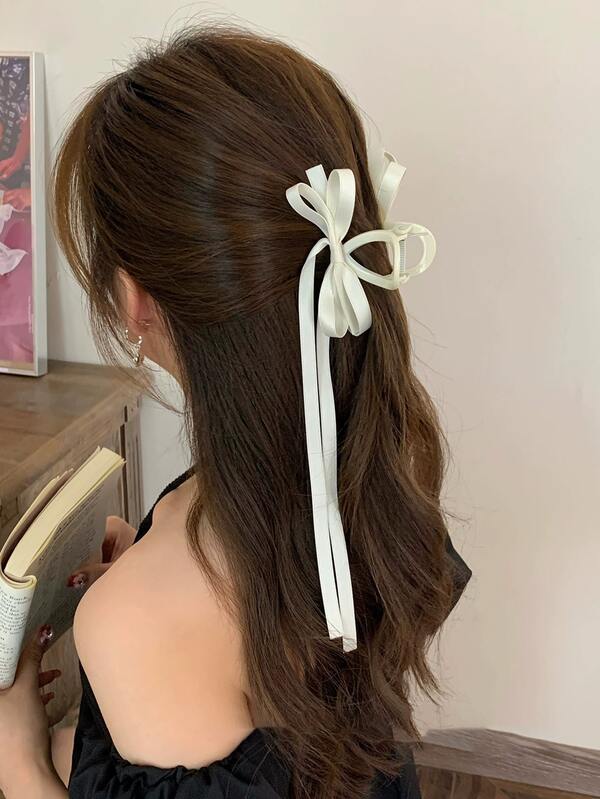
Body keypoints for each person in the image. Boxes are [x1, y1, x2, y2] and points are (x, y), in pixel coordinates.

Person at [0, 21, 472, 799]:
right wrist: (154, 579)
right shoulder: (368, 456)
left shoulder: (143, 611)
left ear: (135, 299)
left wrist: (19, 757)